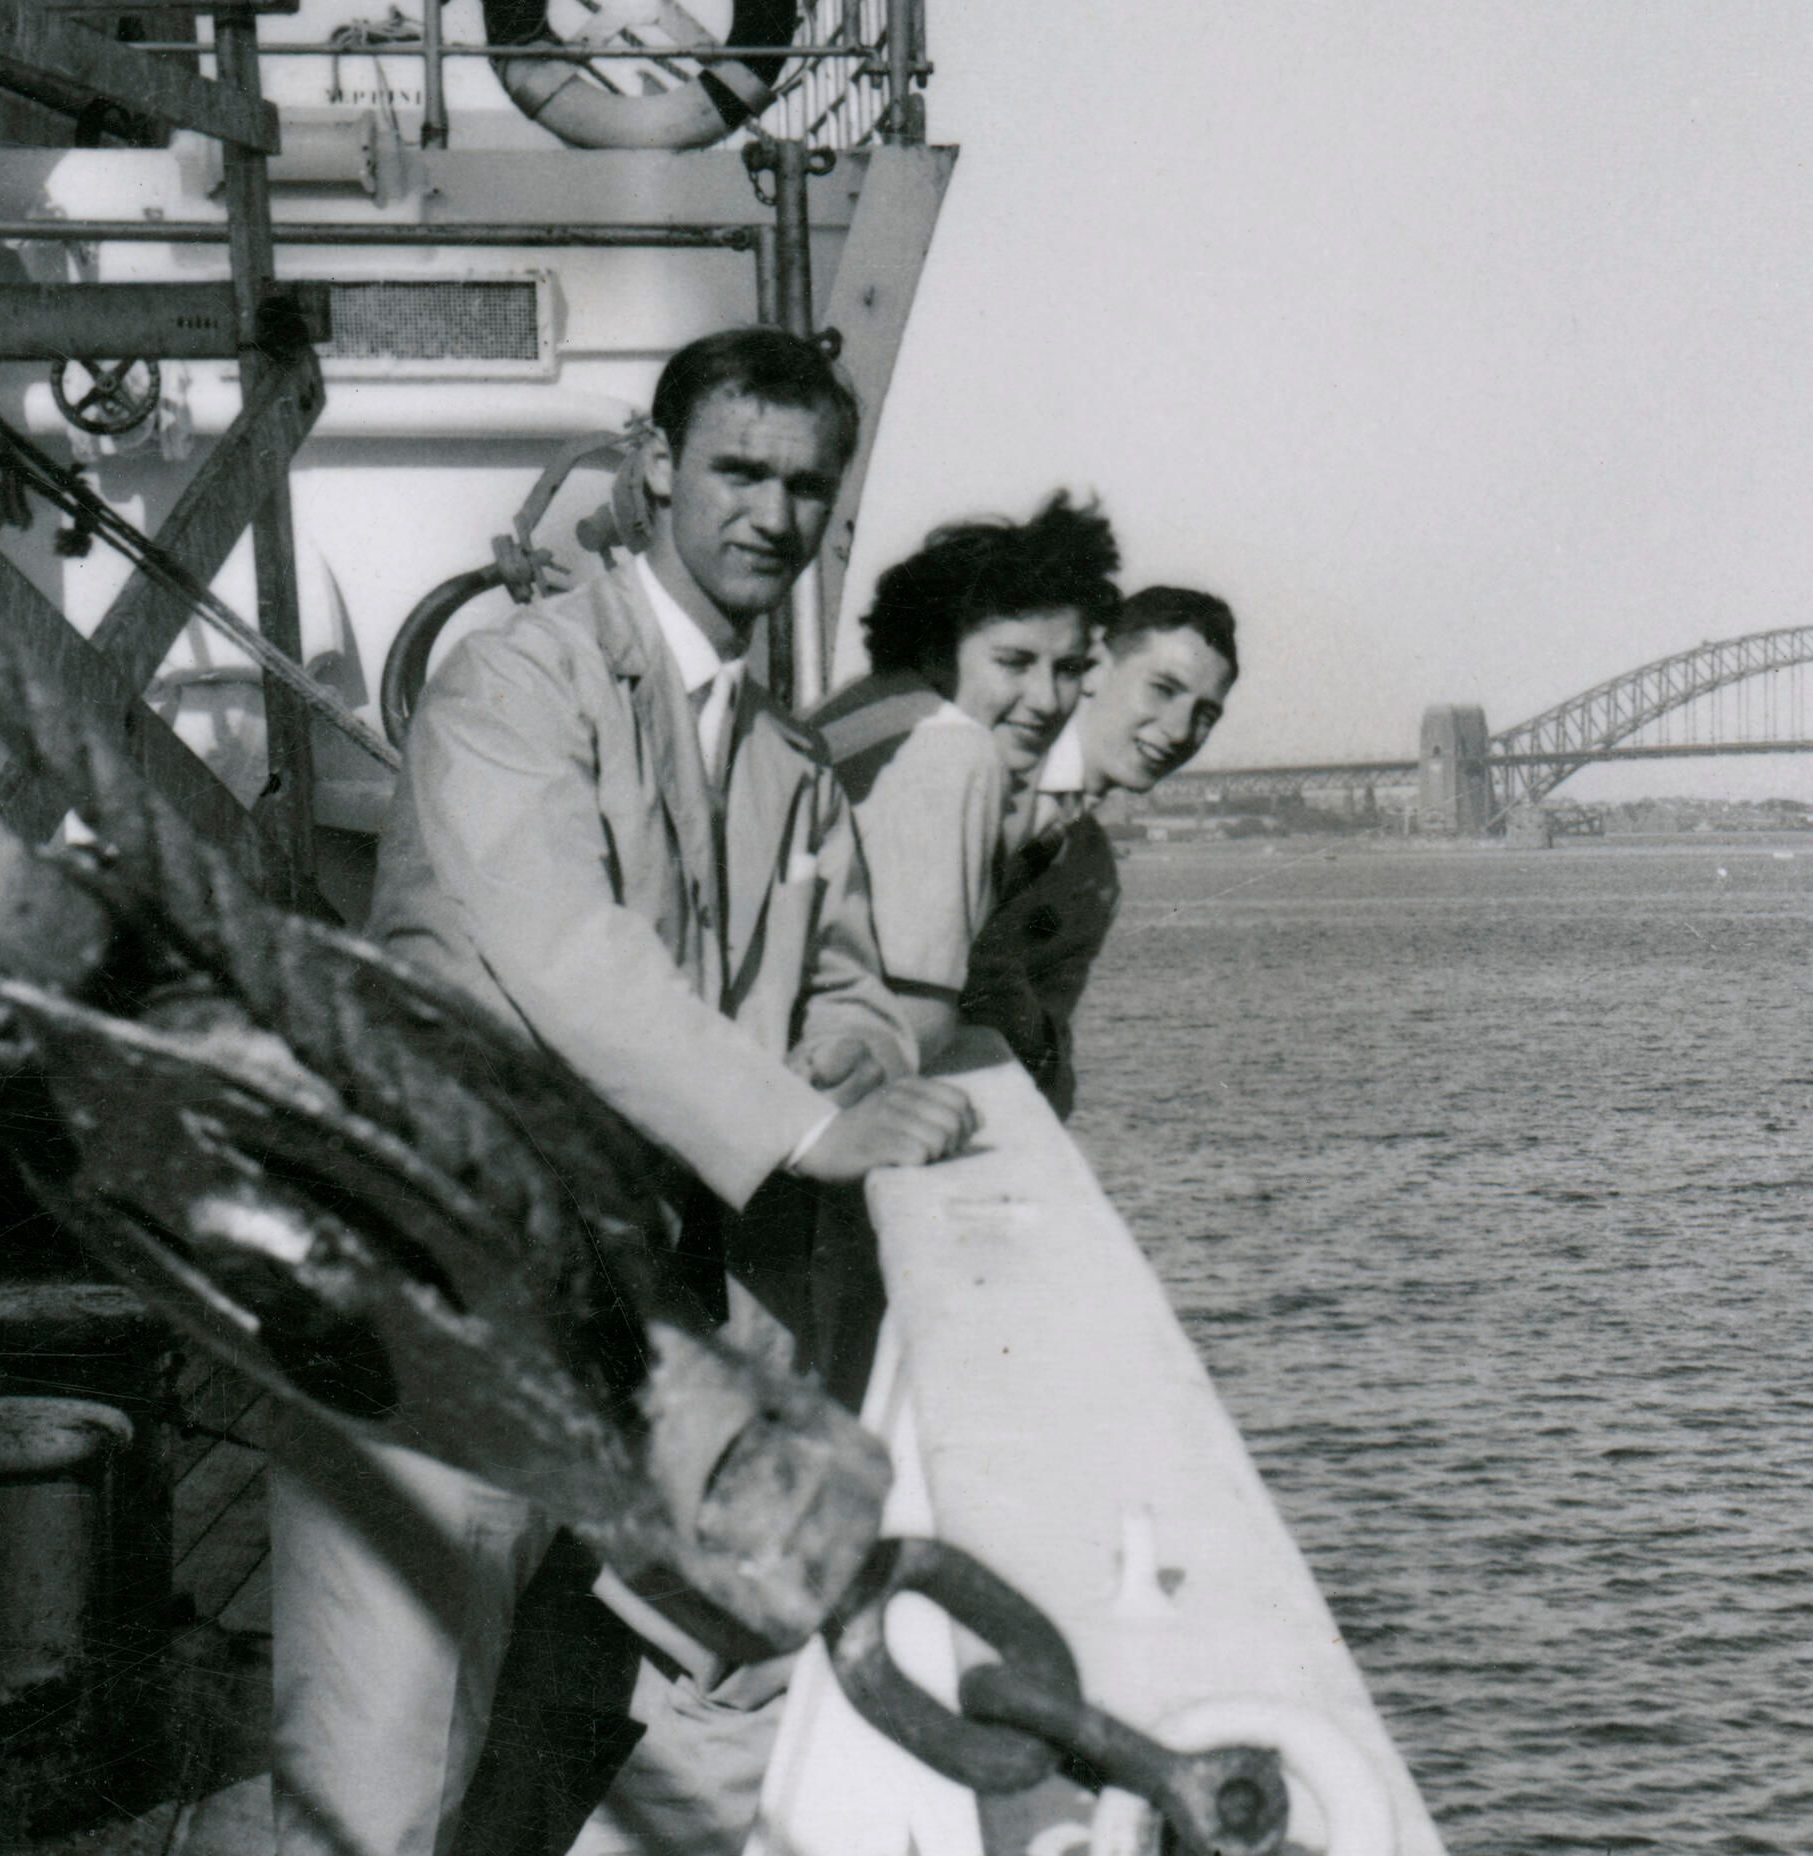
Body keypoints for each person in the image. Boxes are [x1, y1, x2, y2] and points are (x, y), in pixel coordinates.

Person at [270, 327, 975, 1856]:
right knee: (372, 1771)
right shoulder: (514, 687)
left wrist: (855, 1060)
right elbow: (562, 947)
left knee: (565, 1720)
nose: (771, 516)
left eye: (807, 486)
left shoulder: (783, 766)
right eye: (737, 470)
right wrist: (804, 1125)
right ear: (657, 470)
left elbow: (854, 991)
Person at [813, 494, 1122, 1064]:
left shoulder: (857, 711)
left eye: (1069, 669)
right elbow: (916, 1025)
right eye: (1013, 662)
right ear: (938, 650)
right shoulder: (956, 751)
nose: (1047, 700)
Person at [962, 587, 1238, 1116]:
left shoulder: (1092, 876)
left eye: (1206, 714)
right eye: (1162, 689)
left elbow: (1048, 1059)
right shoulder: (976, 771)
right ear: (1094, 668)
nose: (1180, 730)